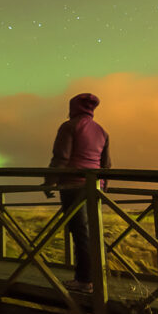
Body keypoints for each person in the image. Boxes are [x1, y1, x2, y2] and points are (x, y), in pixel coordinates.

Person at [44, 93, 111, 294]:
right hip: (94, 187)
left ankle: (84, 280)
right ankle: (98, 276)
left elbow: (61, 158)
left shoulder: (69, 127)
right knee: (92, 231)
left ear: (73, 107)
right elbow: (105, 165)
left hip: (72, 186)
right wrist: (103, 186)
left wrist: (49, 183)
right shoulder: (102, 131)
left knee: (80, 232)